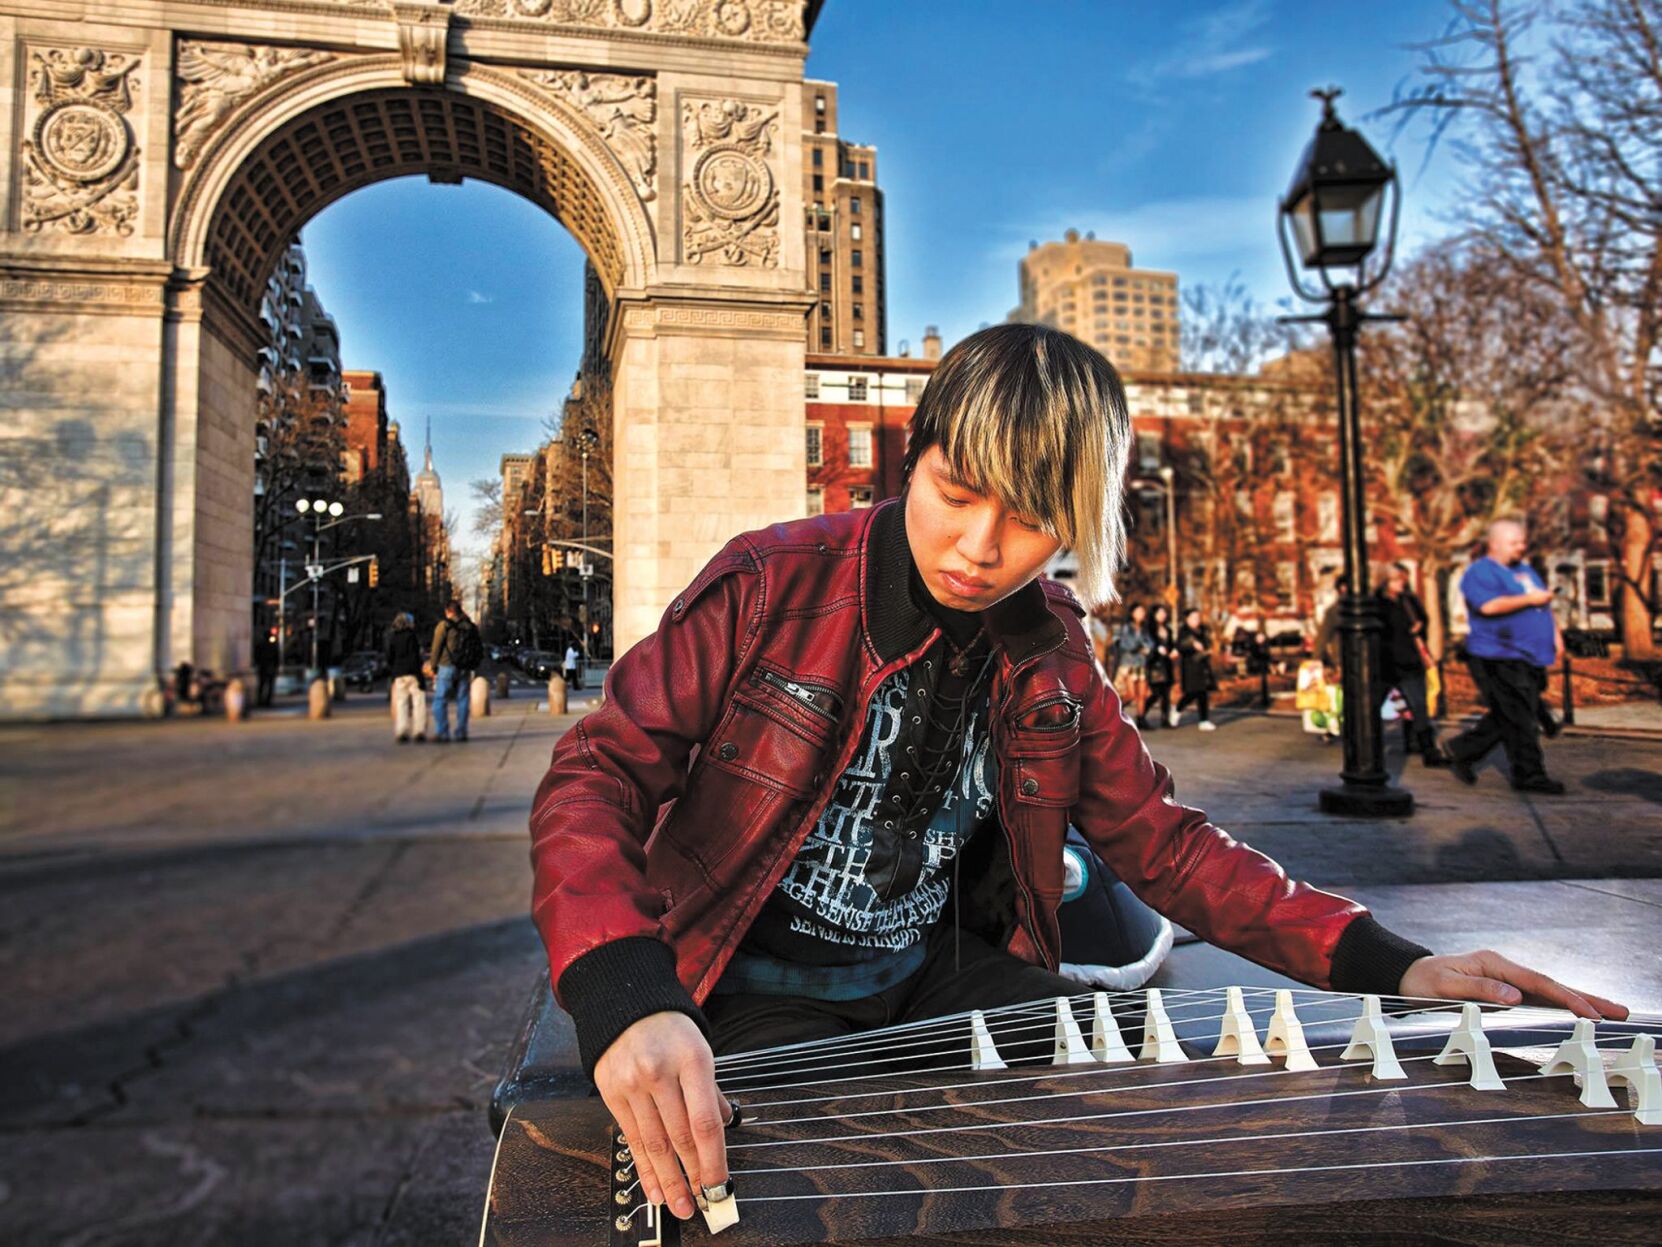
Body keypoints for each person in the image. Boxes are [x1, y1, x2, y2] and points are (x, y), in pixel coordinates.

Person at [527, 324, 1622, 1224]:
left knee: (1133, 1135)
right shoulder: (771, 580)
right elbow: (597, 776)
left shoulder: (1053, 645)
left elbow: (1165, 841)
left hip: (933, 975)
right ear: (919, 455)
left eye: (1030, 518)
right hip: (745, 983)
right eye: (957, 491)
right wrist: (625, 994)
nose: (978, 545)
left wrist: (1394, 963)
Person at [1446, 521, 1565, 793]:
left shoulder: (1525, 571)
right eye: (1514, 543)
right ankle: (1529, 774)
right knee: (1521, 717)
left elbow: (1543, 602)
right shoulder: (1480, 572)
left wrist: (1555, 634)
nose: (1521, 548)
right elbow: (1488, 606)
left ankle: (1462, 750)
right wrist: (1530, 601)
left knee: (1512, 712)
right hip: (1498, 654)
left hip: (1529, 655)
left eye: (1522, 542)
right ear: (1494, 543)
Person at [1377, 564, 1448, 767]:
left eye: (1403, 578)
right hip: (1385, 663)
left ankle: (1427, 749)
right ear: (1385, 581)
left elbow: (1423, 620)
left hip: (1409, 661)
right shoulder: (1377, 602)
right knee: (1373, 706)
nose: (1402, 582)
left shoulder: (1408, 600)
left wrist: (1419, 626)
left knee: (1419, 706)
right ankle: (1368, 747)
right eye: (1396, 579)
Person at [427, 599, 479, 743]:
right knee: (463, 700)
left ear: (448, 611)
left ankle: (442, 732)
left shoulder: (444, 626)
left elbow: (436, 647)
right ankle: (461, 732)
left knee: (440, 700)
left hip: (446, 666)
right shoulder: (469, 626)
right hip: (465, 667)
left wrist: (433, 666)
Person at [1174, 607, 1217, 731]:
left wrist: (1208, 649)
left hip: (1203, 665)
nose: (1196, 620)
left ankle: (1204, 720)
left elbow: (1208, 643)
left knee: (1203, 692)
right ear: (1187, 619)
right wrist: (1191, 644)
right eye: (1193, 618)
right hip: (1190, 666)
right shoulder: (1184, 631)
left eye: (1198, 617)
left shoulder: (1203, 630)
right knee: (1192, 693)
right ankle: (1177, 710)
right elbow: (1180, 646)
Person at [386, 612, 425, 743]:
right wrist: (420, 675)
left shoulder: (393, 637)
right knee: (418, 702)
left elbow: (389, 657)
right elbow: (415, 656)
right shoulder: (412, 637)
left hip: (399, 674)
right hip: (413, 673)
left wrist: (394, 670)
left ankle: (402, 730)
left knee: (401, 703)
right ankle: (419, 730)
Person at [1140, 602, 1176, 729]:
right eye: (1160, 613)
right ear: (1154, 614)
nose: (1163, 615)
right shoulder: (1148, 629)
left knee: (1166, 693)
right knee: (1156, 693)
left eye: (1164, 613)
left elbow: (1171, 644)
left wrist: (1173, 651)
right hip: (1154, 664)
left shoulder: (1168, 629)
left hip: (1166, 664)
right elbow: (1145, 645)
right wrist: (1156, 650)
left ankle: (1165, 719)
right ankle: (1141, 715)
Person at [1111, 603, 1151, 713]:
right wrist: (1139, 647)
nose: (1141, 614)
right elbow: (1124, 644)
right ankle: (1115, 711)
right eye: (1139, 611)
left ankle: (1141, 719)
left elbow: (1150, 643)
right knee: (1131, 694)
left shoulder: (1144, 628)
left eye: (1143, 612)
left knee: (1142, 695)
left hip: (1141, 663)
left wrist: (1148, 648)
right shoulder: (1126, 628)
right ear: (1132, 613)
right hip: (1129, 664)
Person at [254, 632, 280, 708]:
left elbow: (257, 656)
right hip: (269, 667)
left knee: (262, 684)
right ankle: (266, 701)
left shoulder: (260, 646)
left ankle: (261, 700)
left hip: (263, 667)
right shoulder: (272, 646)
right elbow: (276, 658)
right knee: (268, 685)